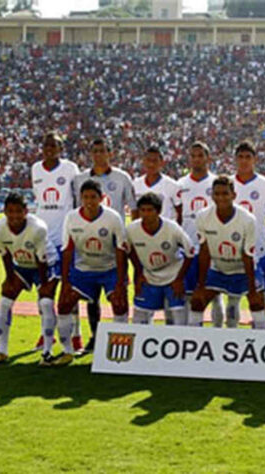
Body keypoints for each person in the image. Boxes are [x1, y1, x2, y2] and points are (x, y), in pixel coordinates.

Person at [73, 137, 137, 354]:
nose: (99, 154)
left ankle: (123, 339)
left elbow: (134, 209)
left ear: (110, 153)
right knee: (92, 298)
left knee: (118, 293)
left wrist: (131, 239)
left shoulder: (122, 178)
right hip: (88, 246)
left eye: (102, 151)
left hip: (115, 245)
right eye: (95, 151)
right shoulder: (80, 179)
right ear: (91, 154)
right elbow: (76, 211)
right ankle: (95, 337)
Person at [55, 180, 128, 366]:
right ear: (80, 198)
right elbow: (67, 250)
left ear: (101, 198)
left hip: (109, 269)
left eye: (93, 197)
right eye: (85, 197)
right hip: (84, 270)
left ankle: (121, 353)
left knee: (119, 304)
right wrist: (65, 283)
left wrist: (120, 283)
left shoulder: (112, 218)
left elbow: (121, 250)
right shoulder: (71, 217)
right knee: (64, 304)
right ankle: (67, 351)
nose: (89, 201)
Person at [0, 193, 59, 365]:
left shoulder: (38, 228)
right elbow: (5, 255)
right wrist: (9, 278)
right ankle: (2, 351)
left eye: (18, 211)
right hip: (21, 265)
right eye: (10, 211)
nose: (14, 216)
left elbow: (42, 260)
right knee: (5, 300)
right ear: (4, 212)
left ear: (26, 211)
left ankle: (47, 352)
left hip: (47, 264)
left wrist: (43, 288)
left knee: (46, 303)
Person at [189, 176, 265, 329]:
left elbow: (248, 255)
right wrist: (201, 285)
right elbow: (204, 252)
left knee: (257, 303)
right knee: (197, 301)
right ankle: (194, 341)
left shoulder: (247, 219)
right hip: (218, 269)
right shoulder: (203, 217)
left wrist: (252, 290)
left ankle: (261, 339)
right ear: (212, 196)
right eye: (217, 194)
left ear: (233, 195)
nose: (220, 197)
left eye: (225, 194)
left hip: (243, 270)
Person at [30, 131, 80, 352]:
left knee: (70, 290)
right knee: (44, 291)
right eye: (47, 145)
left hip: (65, 239)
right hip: (43, 239)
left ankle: (76, 335)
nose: (50, 149)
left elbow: (77, 199)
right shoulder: (35, 169)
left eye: (54, 145)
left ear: (61, 148)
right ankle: (44, 332)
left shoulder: (70, 168)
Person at [232, 140, 265, 328]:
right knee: (233, 298)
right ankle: (230, 333)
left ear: (255, 160)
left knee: (264, 295)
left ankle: (263, 332)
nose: (244, 161)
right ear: (235, 159)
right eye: (240, 157)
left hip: (260, 252)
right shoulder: (227, 183)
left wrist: (262, 238)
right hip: (233, 250)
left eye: (248, 157)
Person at [177, 140, 225, 327]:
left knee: (215, 295)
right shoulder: (180, 184)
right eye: (193, 156)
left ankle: (217, 335)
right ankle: (192, 336)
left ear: (208, 158)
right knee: (190, 296)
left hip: (213, 248)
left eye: (200, 155)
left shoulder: (217, 182)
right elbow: (178, 216)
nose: (197, 159)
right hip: (189, 248)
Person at [127, 193, 193, 326]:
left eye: (150, 210)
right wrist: (139, 273)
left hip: (173, 276)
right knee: (139, 319)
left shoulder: (172, 228)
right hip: (149, 276)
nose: (146, 214)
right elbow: (128, 251)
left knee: (178, 320)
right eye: (143, 210)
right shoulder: (132, 229)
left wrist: (179, 279)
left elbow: (190, 253)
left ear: (159, 211)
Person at [133, 145, 182, 223]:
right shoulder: (135, 185)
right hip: (142, 232)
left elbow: (180, 212)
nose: (151, 164)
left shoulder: (172, 185)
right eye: (148, 160)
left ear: (162, 163)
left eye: (155, 161)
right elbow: (134, 211)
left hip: (165, 232)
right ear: (144, 162)